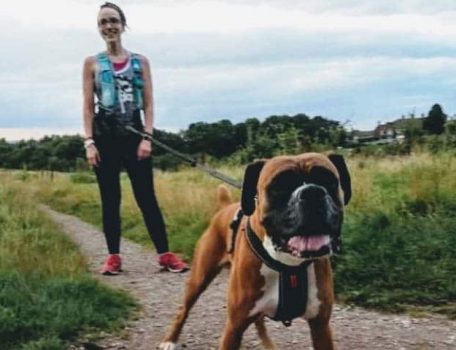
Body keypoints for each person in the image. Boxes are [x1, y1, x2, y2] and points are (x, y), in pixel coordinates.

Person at [82, 2, 188, 274]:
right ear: (99, 28)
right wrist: (89, 142)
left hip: (134, 136)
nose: (109, 27)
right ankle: (113, 257)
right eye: (103, 22)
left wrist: (147, 138)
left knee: (147, 197)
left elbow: (149, 104)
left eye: (113, 21)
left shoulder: (140, 62)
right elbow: (86, 107)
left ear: (123, 25)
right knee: (110, 199)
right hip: (105, 138)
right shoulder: (92, 63)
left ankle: (165, 254)